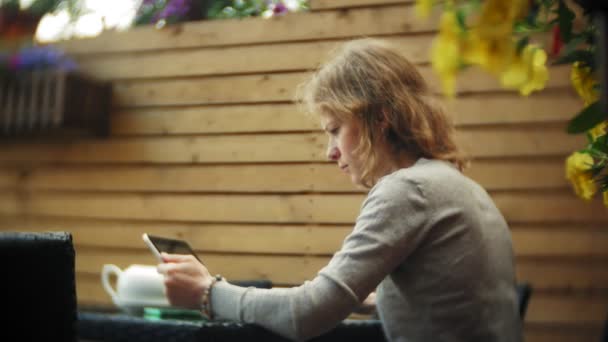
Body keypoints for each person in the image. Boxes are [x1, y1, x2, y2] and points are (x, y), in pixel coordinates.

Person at [156, 38, 523, 342]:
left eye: (334, 129)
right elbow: (452, 305)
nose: (330, 151)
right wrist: (371, 300)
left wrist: (207, 293)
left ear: (378, 119)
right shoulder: (460, 186)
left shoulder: (407, 190)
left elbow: (307, 314)